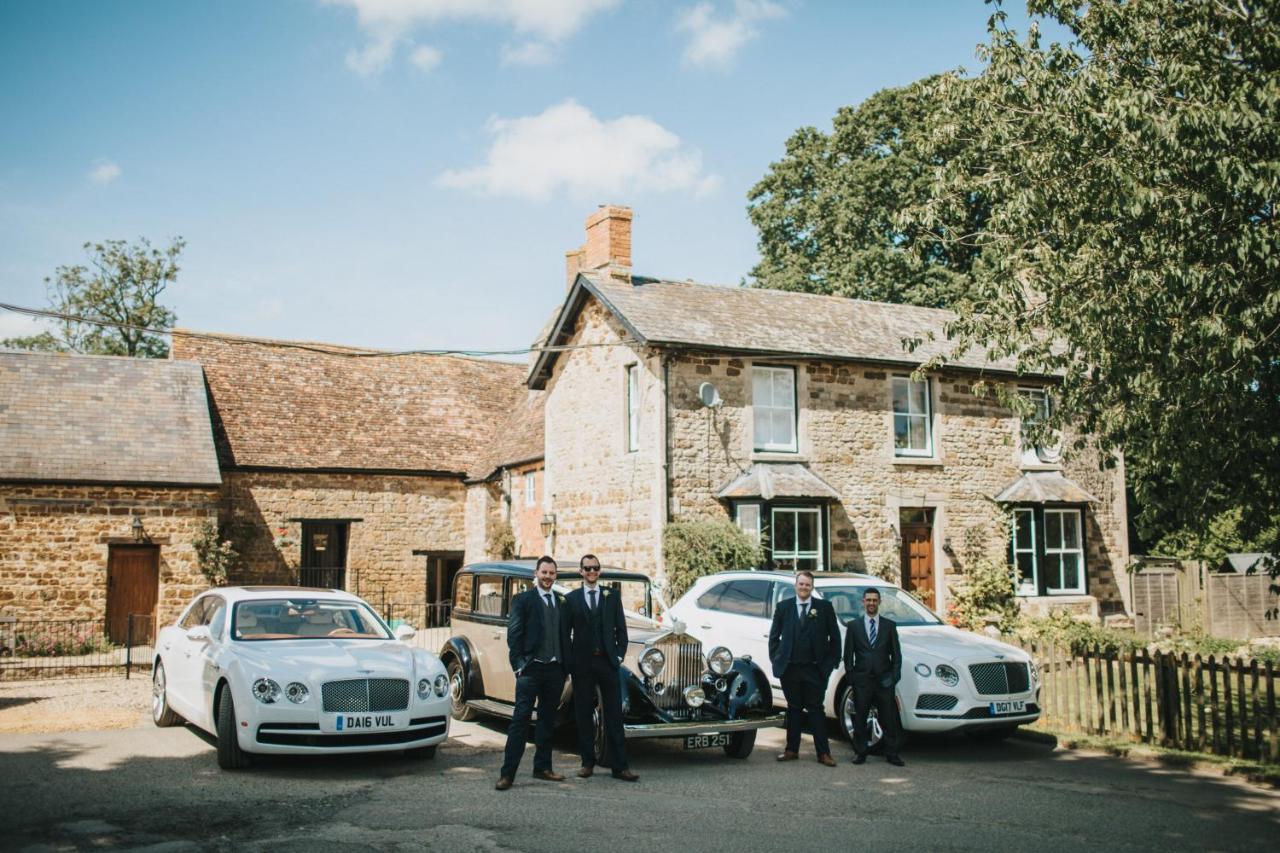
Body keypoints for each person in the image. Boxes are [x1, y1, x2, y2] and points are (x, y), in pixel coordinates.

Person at [496, 556, 572, 791]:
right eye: (544, 573)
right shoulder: (523, 600)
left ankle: (542, 768)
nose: (548, 577)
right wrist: (519, 666)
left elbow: (565, 635)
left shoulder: (561, 602)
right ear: (536, 574)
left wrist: (564, 667)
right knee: (520, 720)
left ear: (555, 575)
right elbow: (514, 636)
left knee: (547, 721)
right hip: (530, 669)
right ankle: (507, 774)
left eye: (551, 573)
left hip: (555, 670)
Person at [565, 554, 638, 782]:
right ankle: (587, 763)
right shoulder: (571, 599)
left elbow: (621, 630)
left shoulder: (612, 596)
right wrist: (571, 661)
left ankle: (620, 766)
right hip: (582, 664)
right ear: (581, 571)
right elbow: (565, 634)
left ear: (599, 571)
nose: (591, 571)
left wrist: (618, 655)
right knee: (583, 713)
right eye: (587, 568)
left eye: (595, 568)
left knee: (615, 714)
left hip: (607, 662)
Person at [768, 570, 841, 766]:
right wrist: (777, 660)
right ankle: (791, 750)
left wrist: (828, 666)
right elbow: (774, 637)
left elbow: (835, 639)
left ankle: (823, 753)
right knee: (793, 709)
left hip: (815, 669)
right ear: (795, 585)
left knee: (816, 710)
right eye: (801, 584)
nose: (804, 588)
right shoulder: (784, 607)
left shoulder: (824, 608)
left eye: (807, 585)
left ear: (812, 587)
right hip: (790, 669)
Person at [843, 586, 905, 767]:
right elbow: (848, 656)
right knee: (860, 718)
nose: (871, 603)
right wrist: (852, 678)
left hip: (884, 681)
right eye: (868, 600)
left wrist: (893, 678)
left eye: (874, 600)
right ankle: (860, 752)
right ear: (863, 602)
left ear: (879, 602)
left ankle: (892, 753)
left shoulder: (889, 626)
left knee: (888, 718)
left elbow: (897, 656)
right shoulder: (854, 626)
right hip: (862, 681)